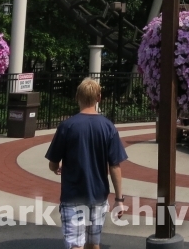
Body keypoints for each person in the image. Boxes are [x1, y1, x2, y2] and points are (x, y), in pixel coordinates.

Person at [45, 78, 128, 249]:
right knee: (93, 243)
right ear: (99, 97)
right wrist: (119, 199)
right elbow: (114, 166)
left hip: (73, 194)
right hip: (98, 195)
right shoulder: (108, 127)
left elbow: (53, 162)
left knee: (76, 244)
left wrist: (56, 168)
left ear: (77, 96)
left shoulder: (67, 126)